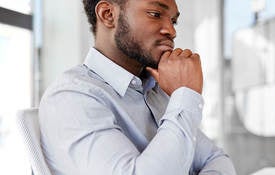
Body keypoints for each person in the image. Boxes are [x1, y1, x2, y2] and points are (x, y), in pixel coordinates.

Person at [38, 0, 236, 174]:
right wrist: (186, 95)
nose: (172, 31)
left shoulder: (157, 90)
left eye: (173, 20)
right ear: (108, 15)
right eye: (155, 14)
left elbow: (217, 159)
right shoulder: (72, 97)